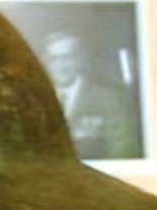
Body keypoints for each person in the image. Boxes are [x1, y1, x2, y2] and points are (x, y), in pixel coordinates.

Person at [41, 31, 140, 159]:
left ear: (80, 59)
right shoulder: (34, 100)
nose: (61, 66)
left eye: (67, 58)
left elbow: (123, 150)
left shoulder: (107, 99)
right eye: (53, 59)